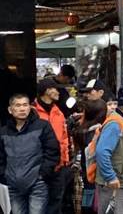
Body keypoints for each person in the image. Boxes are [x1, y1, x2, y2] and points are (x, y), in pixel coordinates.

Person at [0, 93, 59, 214]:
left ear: (30, 107)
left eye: (25, 105)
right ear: (10, 110)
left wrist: (43, 175)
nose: (22, 108)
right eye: (18, 105)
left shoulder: (42, 126)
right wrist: (4, 176)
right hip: (13, 184)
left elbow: (52, 152)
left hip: (38, 183)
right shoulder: (3, 132)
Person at [34, 78, 71, 214]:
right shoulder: (33, 112)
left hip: (59, 167)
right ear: (47, 91)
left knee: (56, 202)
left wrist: (65, 158)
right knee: (39, 203)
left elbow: (64, 137)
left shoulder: (58, 112)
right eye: (55, 89)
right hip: (39, 166)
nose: (59, 92)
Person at [74, 99, 109, 214]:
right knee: (96, 207)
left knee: (87, 204)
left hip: (86, 176)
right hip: (96, 177)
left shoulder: (81, 130)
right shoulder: (97, 132)